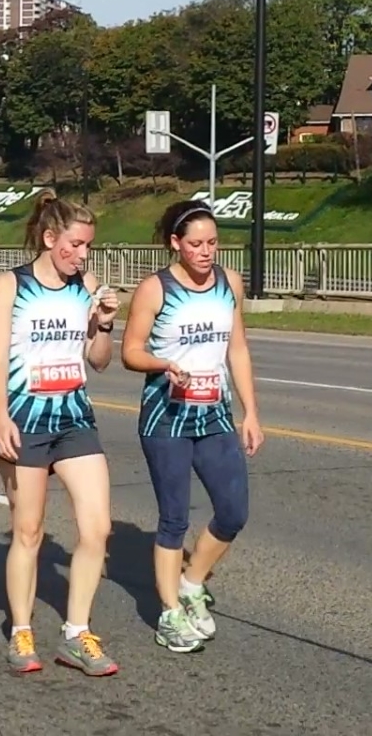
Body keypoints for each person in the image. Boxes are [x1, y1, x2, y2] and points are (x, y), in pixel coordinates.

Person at [0, 190, 121, 677]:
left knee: (97, 529)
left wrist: (103, 324)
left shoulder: (88, 286)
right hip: (24, 421)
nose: (83, 256)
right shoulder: (11, 286)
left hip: (75, 419)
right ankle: (21, 631)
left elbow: (99, 362)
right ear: (49, 239)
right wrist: (1, 418)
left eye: (88, 247)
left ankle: (76, 633)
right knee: (29, 531)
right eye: (76, 245)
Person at [120, 199, 263, 653]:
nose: (207, 252)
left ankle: (191, 581)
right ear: (175, 244)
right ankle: (168, 614)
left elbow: (236, 348)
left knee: (234, 510)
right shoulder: (155, 290)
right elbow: (131, 352)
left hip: (215, 413)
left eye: (214, 243)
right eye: (196, 244)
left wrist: (251, 412)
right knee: (174, 520)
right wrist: (164, 363)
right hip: (167, 416)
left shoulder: (229, 284)